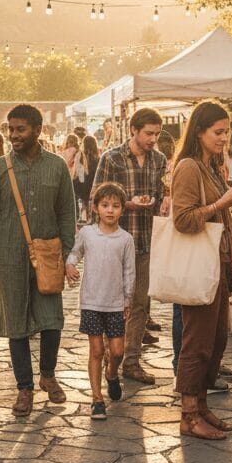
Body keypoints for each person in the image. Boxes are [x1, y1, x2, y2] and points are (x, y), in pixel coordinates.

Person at [0, 104, 77, 418]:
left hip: (48, 256)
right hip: (8, 256)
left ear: (37, 130)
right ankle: (24, 388)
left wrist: (69, 255)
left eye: (20, 129)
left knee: (51, 320)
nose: (14, 136)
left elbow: (67, 215)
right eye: (11, 129)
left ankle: (48, 373)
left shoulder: (57, 166)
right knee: (15, 323)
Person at [171, 101, 232, 440]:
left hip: (215, 264)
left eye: (226, 131)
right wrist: (223, 202)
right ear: (199, 132)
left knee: (216, 340)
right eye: (218, 132)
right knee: (197, 342)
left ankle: (201, 406)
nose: (224, 138)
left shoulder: (210, 166)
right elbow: (183, 219)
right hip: (200, 266)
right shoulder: (189, 168)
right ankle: (188, 415)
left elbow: (218, 217)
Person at [91, 107, 166, 385]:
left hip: (146, 240)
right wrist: (127, 204)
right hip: (115, 243)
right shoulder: (112, 159)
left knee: (140, 304)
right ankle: (114, 355)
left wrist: (161, 201)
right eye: (148, 133)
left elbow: (161, 193)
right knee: (113, 304)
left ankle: (131, 361)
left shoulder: (159, 159)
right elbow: (95, 198)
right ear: (133, 130)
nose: (153, 139)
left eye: (157, 134)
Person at [65, 182, 135, 421]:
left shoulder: (125, 239)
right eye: (105, 205)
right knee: (96, 350)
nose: (110, 210)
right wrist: (70, 264)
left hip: (115, 303)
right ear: (95, 208)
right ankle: (97, 399)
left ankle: (112, 374)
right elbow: (75, 252)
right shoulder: (87, 234)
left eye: (116, 206)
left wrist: (128, 299)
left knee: (117, 351)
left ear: (122, 210)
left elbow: (129, 271)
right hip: (92, 302)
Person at [79, 135, 101, 222]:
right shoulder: (98, 159)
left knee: (85, 204)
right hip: (94, 186)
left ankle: (85, 218)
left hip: (83, 186)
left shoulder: (81, 158)